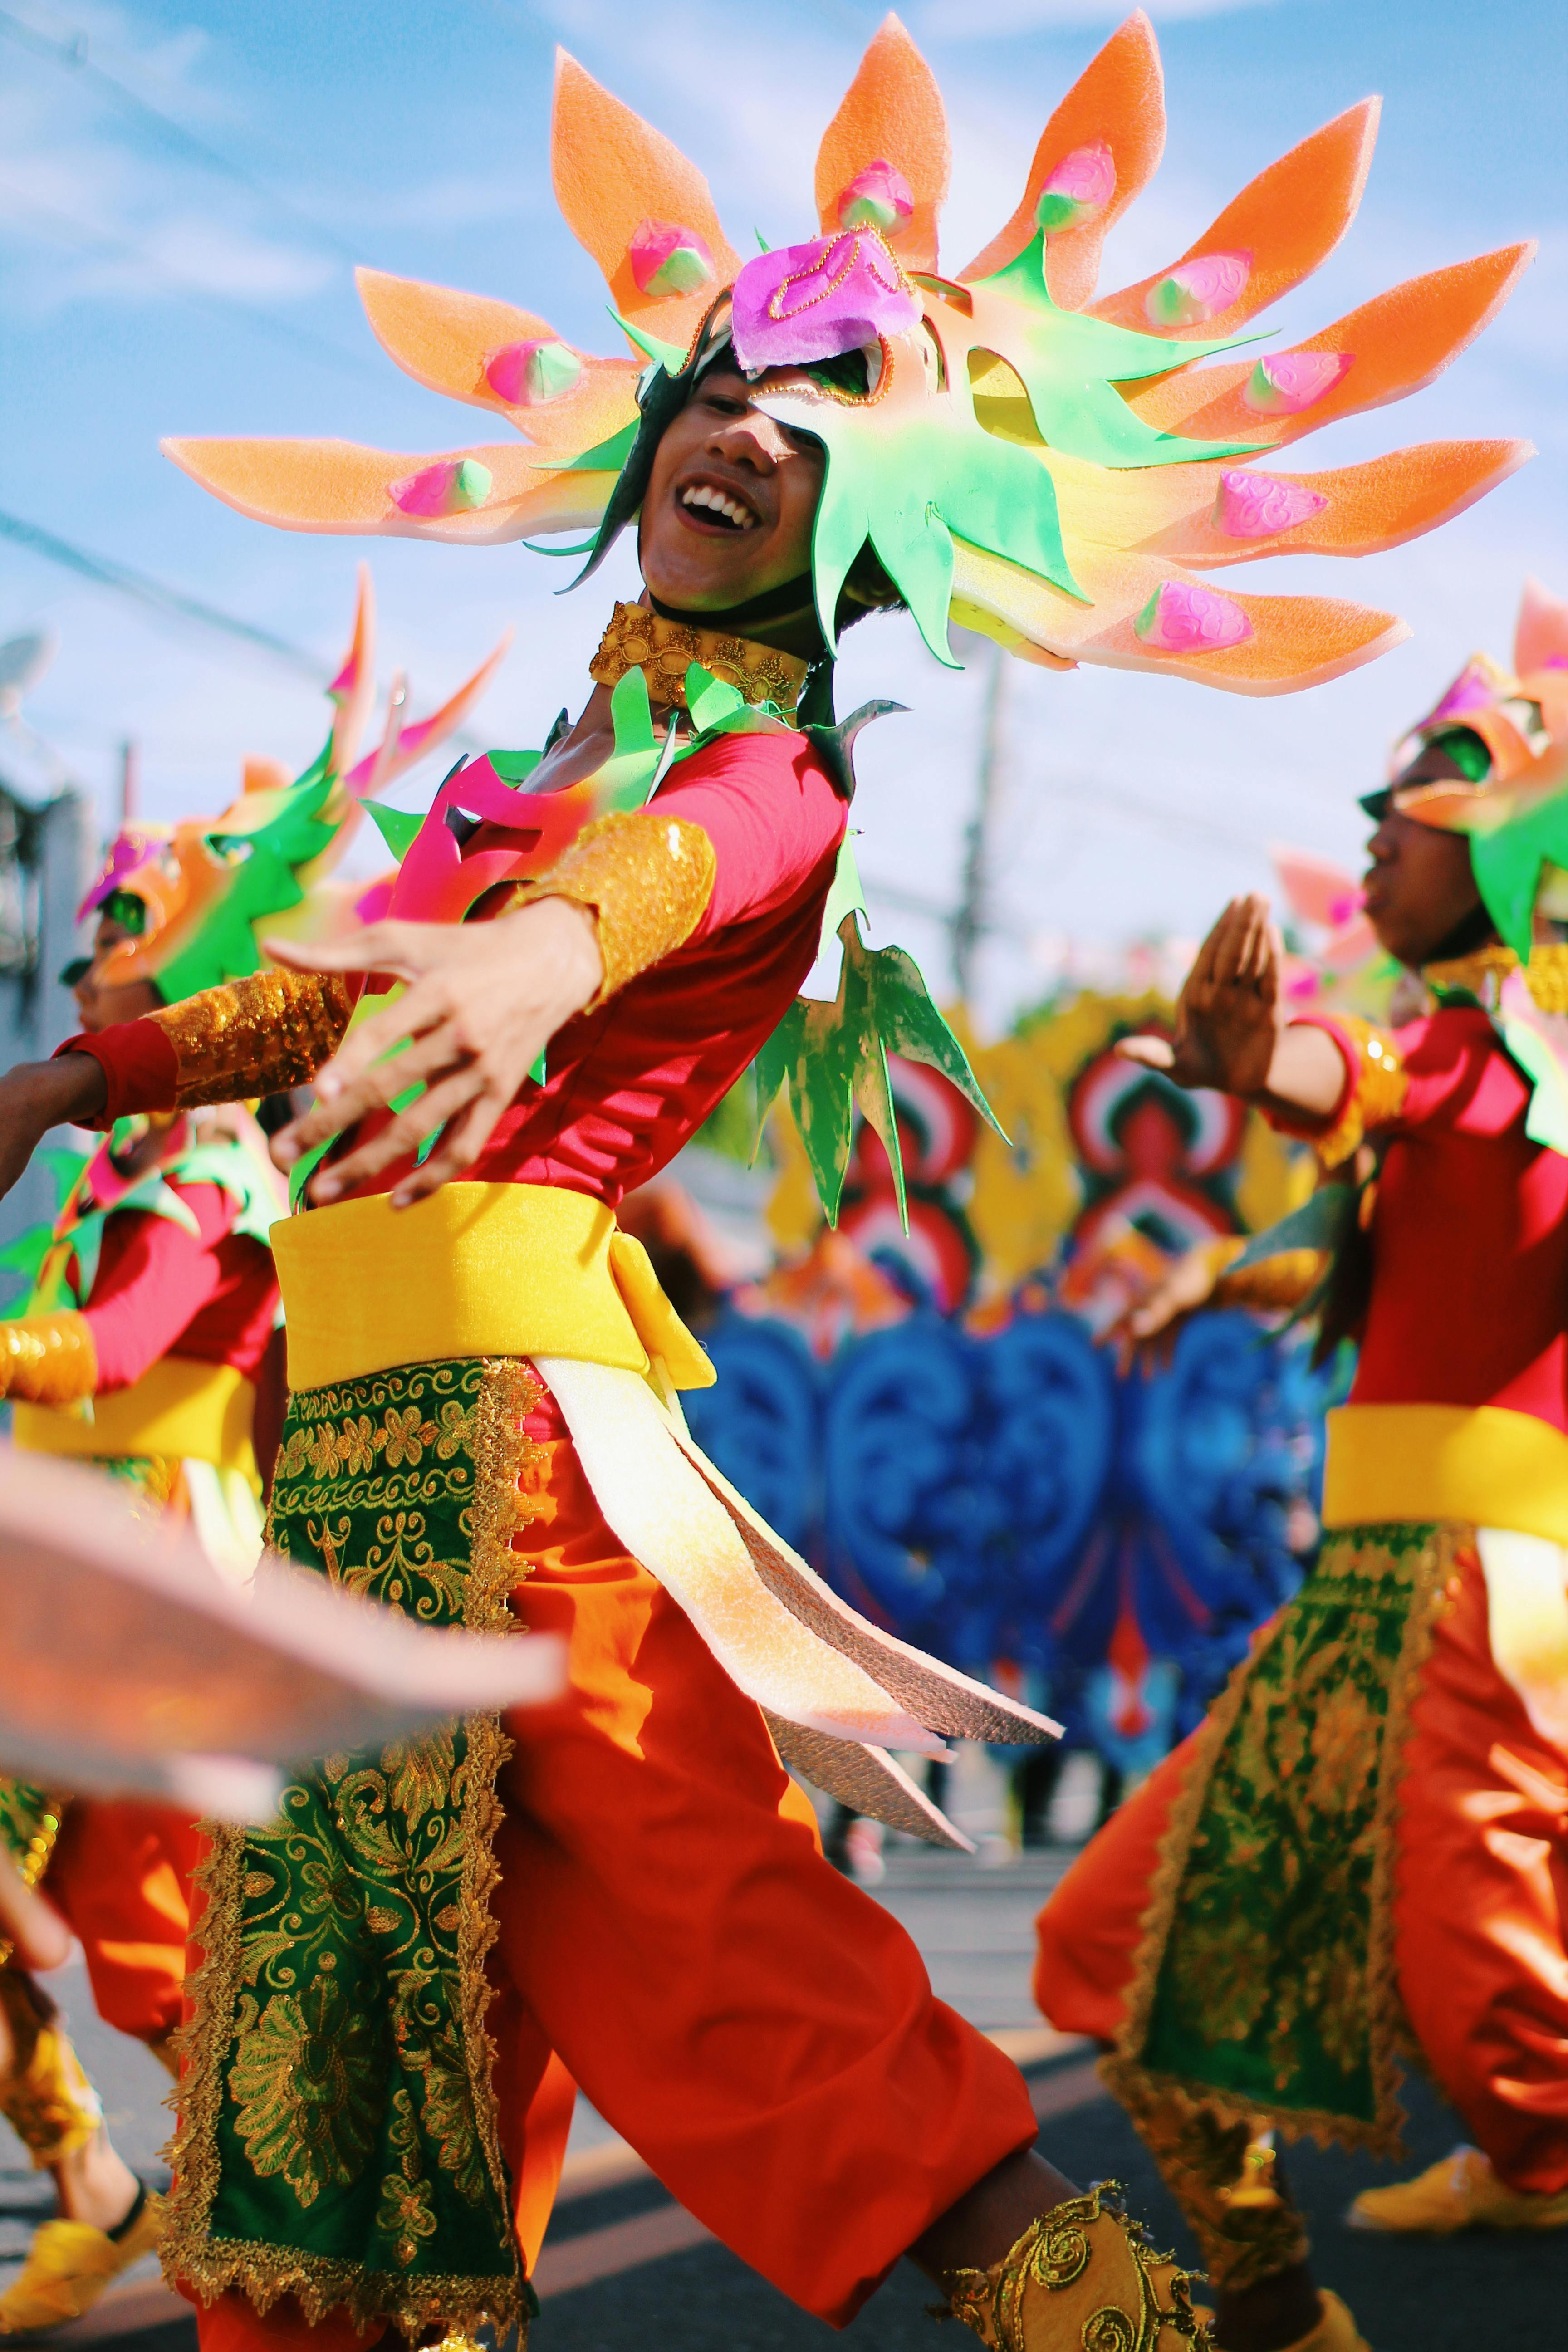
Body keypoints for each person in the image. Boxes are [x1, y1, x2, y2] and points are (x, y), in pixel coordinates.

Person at [0, 16, 1531, 2350]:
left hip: (524, 1472)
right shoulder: (551, 762)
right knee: (333, 2088)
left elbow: (671, 872)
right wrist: (76, 1078)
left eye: (812, 432)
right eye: (722, 388)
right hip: (359, 1456)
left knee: (748, 1987)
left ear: (877, 521)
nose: (743, 434)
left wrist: (533, 949)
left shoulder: (767, 784)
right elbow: (335, 992)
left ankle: (1140, 2316)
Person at [1034, 578, 1568, 2352]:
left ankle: (1538, 2152)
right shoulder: (1479, 1064)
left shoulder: (1512, 1057)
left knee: (1486, 1969)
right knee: (1108, 1951)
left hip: (1487, 1595)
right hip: (1376, 1591)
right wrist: (1217, 1257)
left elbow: (1374, 1092)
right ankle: (1289, 2306)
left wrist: (1271, 1065)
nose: (1367, 838)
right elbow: (1388, 1173)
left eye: (1406, 806)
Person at [0, 578, 498, 2336]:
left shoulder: (210, 1181)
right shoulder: (124, 1171)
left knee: (193, 1952)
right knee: (139, 1943)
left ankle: (298, 2208)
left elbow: (118, 1354)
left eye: (117, 928)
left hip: (157, 1565)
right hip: (87, 1557)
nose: (84, 963)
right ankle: (110, 2181)